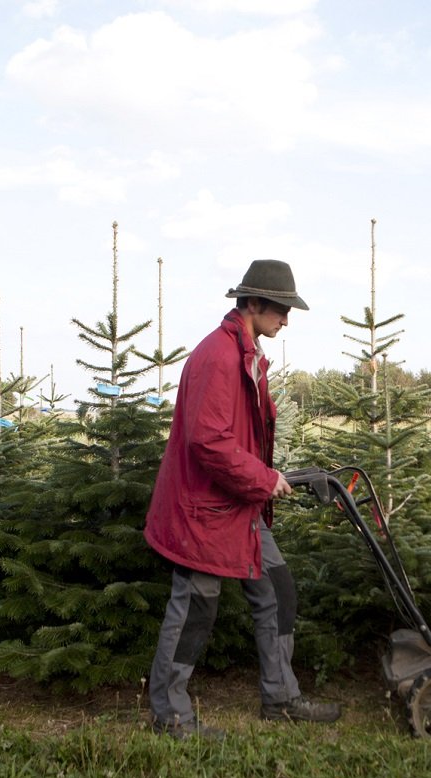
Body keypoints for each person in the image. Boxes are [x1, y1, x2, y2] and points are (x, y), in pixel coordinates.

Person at [145, 259, 341, 739]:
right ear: (252, 303)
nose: (287, 318)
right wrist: (263, 478)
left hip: (237, 506)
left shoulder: (246, 353)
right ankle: (169, 716)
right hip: (204, 510)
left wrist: (263, 478)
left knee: (278, 591)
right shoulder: (218, 356)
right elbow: (208, 442)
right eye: (280, 308)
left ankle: (280, 698)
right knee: (195, 608)